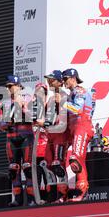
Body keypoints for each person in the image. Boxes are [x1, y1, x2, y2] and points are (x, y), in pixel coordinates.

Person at [0, 75, 35, 207]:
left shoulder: (29, 98)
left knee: (28, 167)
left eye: (10, 86)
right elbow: (1, 125)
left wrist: (23, 108)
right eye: (7, 86)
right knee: (13, 169)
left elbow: (35, 118)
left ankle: (31, 198)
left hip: (26, 136)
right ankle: (18, 199)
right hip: (11, 138)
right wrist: (7, 123)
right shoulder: (4, 103)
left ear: (18, 86)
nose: (8, 89)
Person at [61, 68, 96, 202]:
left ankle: (83, 192)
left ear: (73, 78)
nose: (64, 82)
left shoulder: (79, 91)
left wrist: (62, 103)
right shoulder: (72, 93)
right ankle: (74, 193)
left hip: (82, 127)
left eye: (66, 79)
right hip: (74, 128)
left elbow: (77, 109)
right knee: (75, 160)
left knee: (75, 159)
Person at [43, 70, 70, 203]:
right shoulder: (51, 98)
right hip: (50, 135)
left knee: (58, 163)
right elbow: (48, 117)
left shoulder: (66, 95)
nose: (49, 82)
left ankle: (63, 195)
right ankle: (52, 195)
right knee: (48, 164)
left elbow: (71, 114)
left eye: (52, 80)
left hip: (61, 134)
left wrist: (63, 103)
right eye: (48, 80)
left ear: (60, 82)